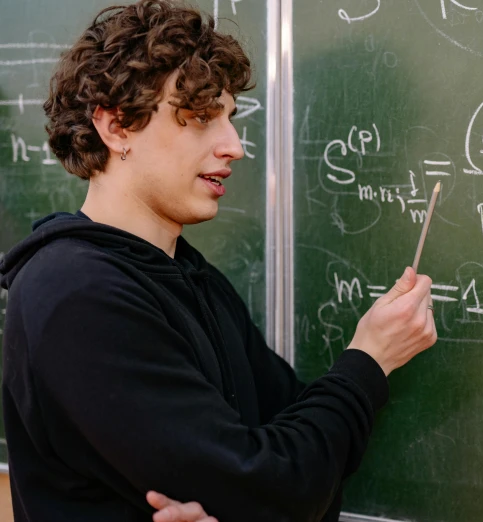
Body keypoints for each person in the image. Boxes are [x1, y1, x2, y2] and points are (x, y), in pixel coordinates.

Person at [0, 1, 437, 521]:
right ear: (116, 127)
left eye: (229, 119)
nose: (235, 146)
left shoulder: (192, 277)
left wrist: (260, 494)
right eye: (202, 118)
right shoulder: (77, 295)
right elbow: (277, 489)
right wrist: (370, 358)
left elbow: (306, 471)